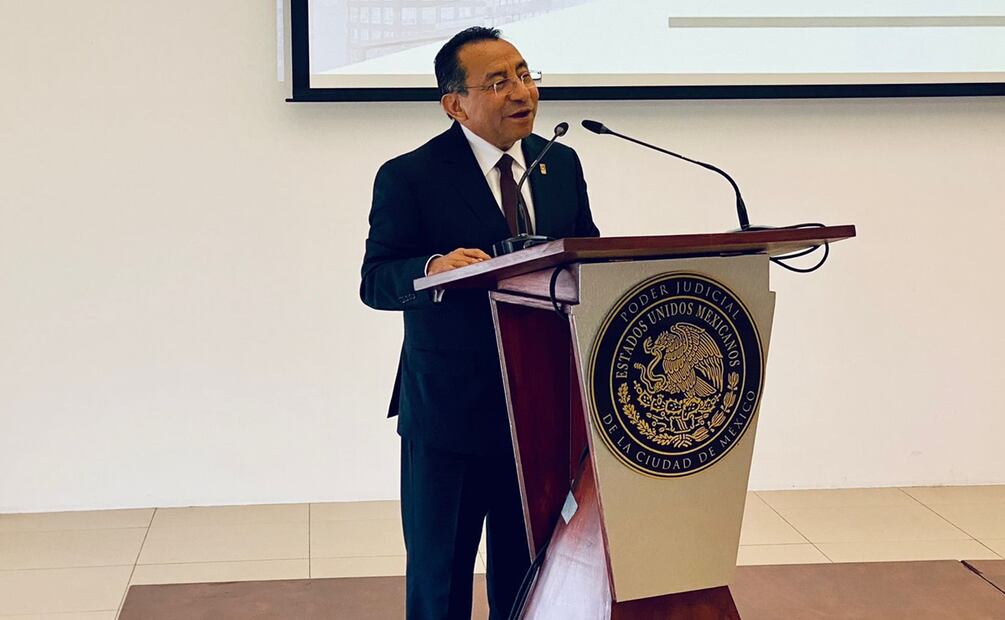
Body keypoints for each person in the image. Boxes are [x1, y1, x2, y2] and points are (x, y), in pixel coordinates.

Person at [360, 26, 600, 619]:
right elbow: (376, 280)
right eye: (497, 83)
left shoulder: (559, 162)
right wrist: (431, 268)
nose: (521, 91)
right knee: (440, 577)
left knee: (528, 576)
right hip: (450, 410)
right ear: (455, 105)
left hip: (540, 410)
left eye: (523, 74)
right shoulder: (410, 175)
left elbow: (588, 255)